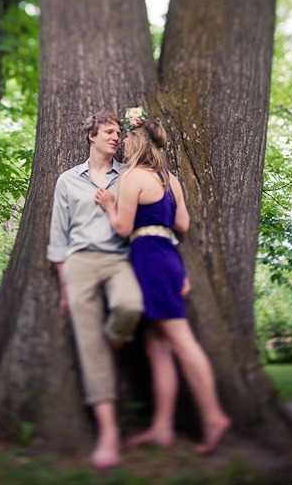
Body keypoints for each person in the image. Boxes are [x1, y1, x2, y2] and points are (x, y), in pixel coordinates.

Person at [95, 106, 231, 455]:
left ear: (137, 143)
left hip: (149, 259)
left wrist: (110, 206)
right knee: (157, 347)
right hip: (168, 257)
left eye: (126, 139)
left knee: (181, 342)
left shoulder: (131, 177)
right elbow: (182, 225)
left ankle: (214, 416)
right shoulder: (171, 179)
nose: (122, 144)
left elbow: (124, 228)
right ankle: (162, 426)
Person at [47, 110, 144, 469]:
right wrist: (63, 290)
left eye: (119, 132)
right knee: (89, 351)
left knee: (131, 306)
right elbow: (58, 238)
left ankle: (106, 347)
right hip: (79, 264)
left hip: (120, 260)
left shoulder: (128, 177)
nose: (116, 137)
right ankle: (108, 434)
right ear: (91, 135)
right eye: (109, 131)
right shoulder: (68, 181)